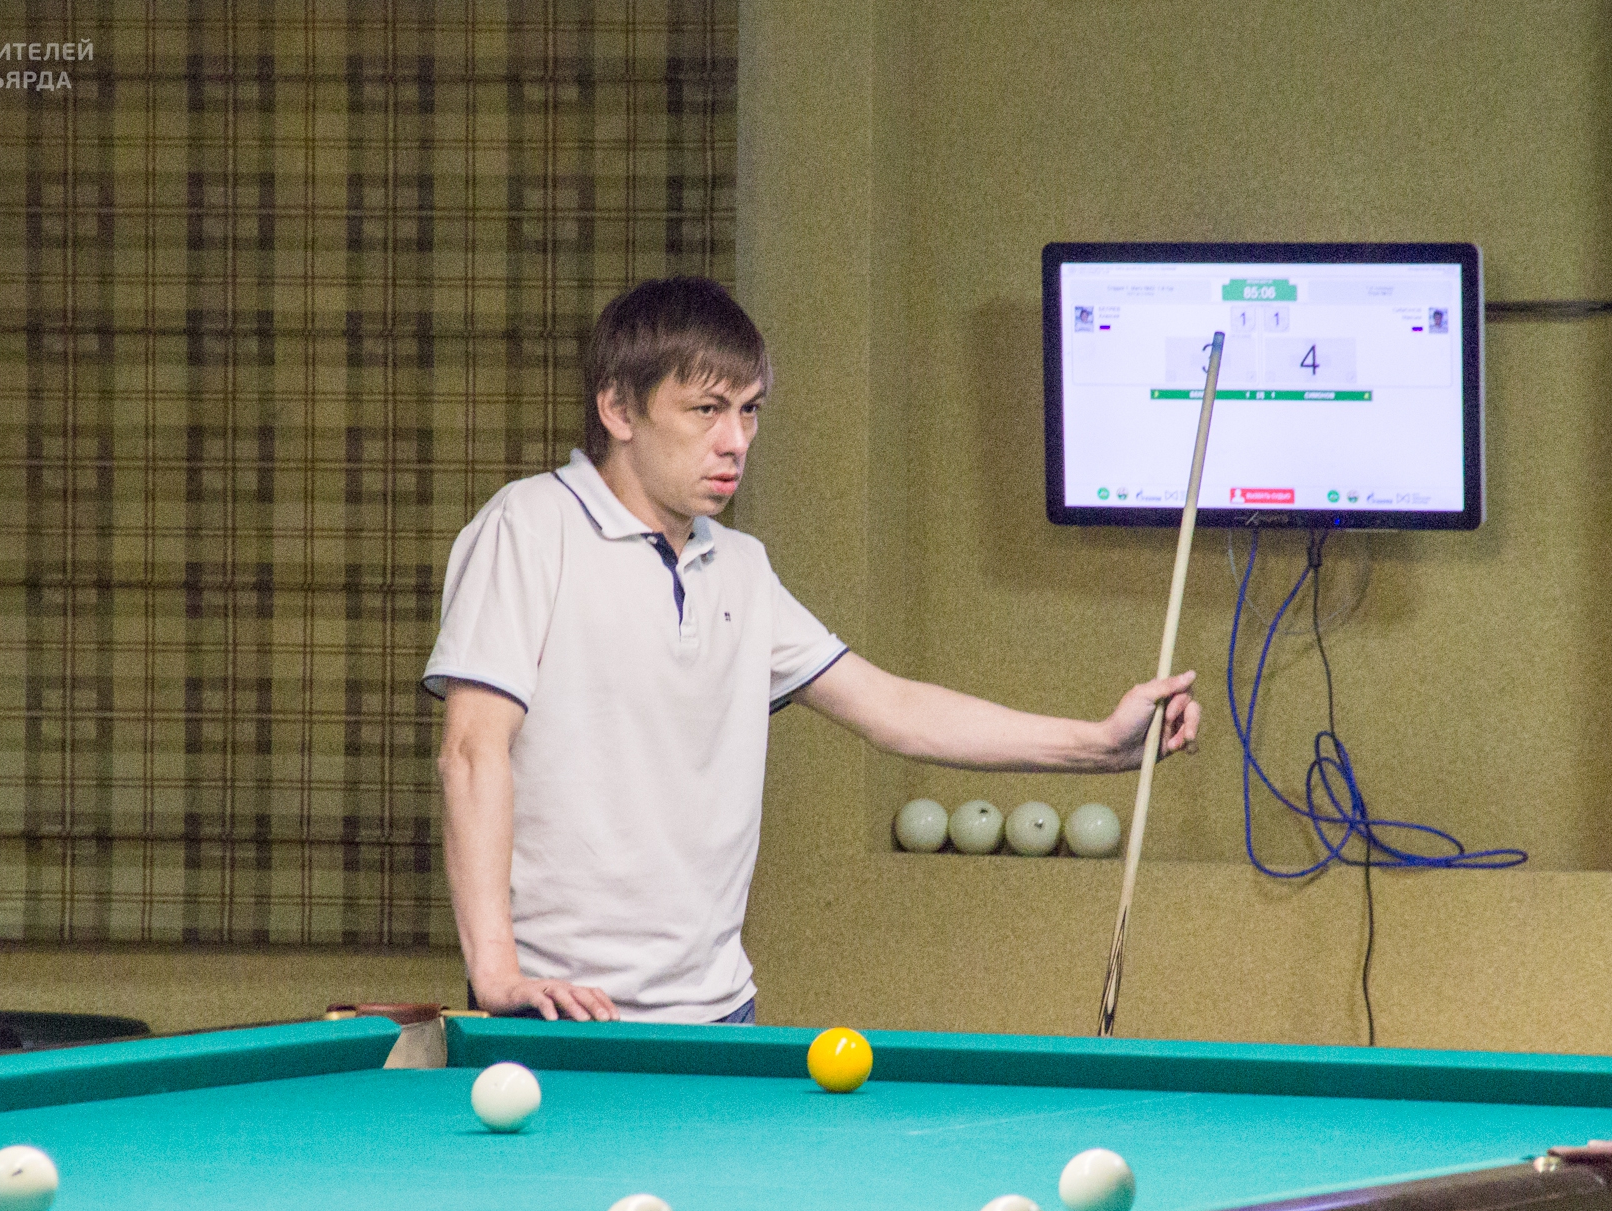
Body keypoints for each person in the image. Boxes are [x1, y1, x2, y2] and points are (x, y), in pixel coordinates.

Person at [424, 277, 1199, 1024]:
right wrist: (496, 973)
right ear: (619, 408)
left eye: (750, 410)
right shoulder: (529, 528)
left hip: (720, 1013)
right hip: (562, 1013)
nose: (736, 441)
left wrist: (1101, 745)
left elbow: (892, 708)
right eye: (706, 410)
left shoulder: (740, 566)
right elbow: (470, 751)